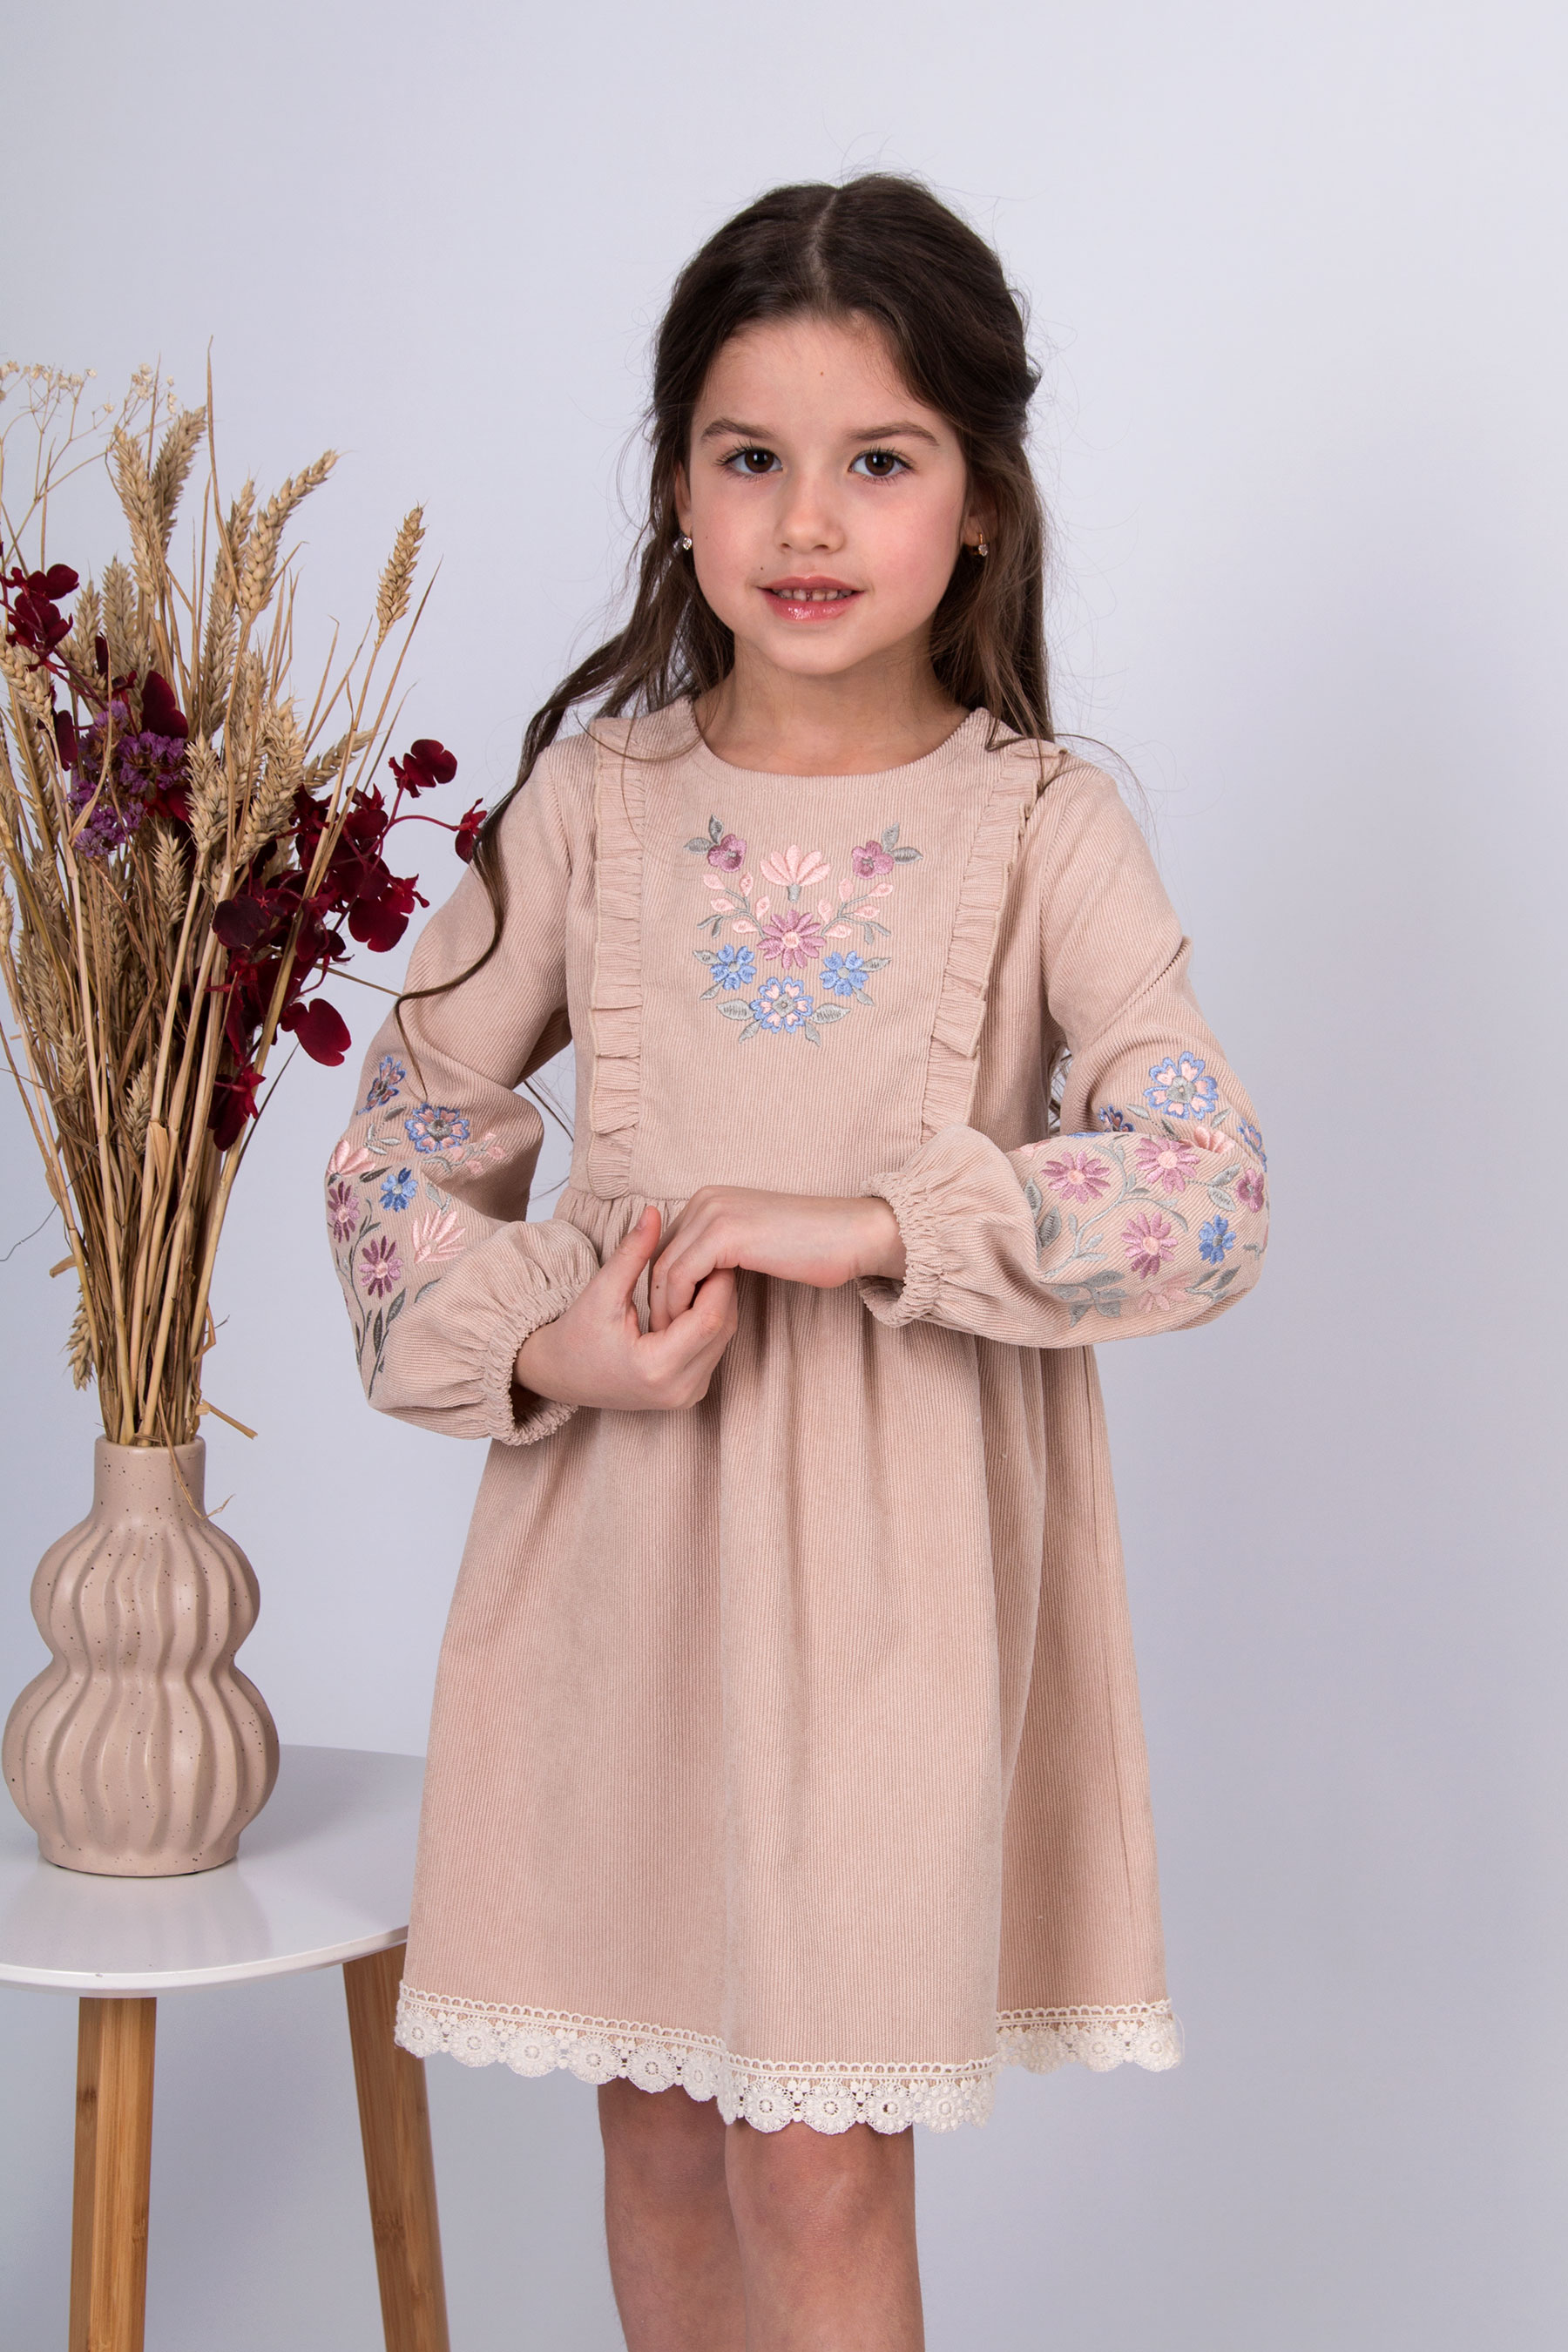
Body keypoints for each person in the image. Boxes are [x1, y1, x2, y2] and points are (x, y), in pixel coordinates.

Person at [325, 172, 1268, 2352]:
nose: (809, 521)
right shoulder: (591, 810)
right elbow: (398, 1145)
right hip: (621, 1568)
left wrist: (879, 1223)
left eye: (881, 460)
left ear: (983, 499)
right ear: (677, 487)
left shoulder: (1043, 826)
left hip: (895, 1599)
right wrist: (549, 1341)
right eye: (751, 456)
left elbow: (1209, 1190)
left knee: (815, 2166)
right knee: (659, 2143)